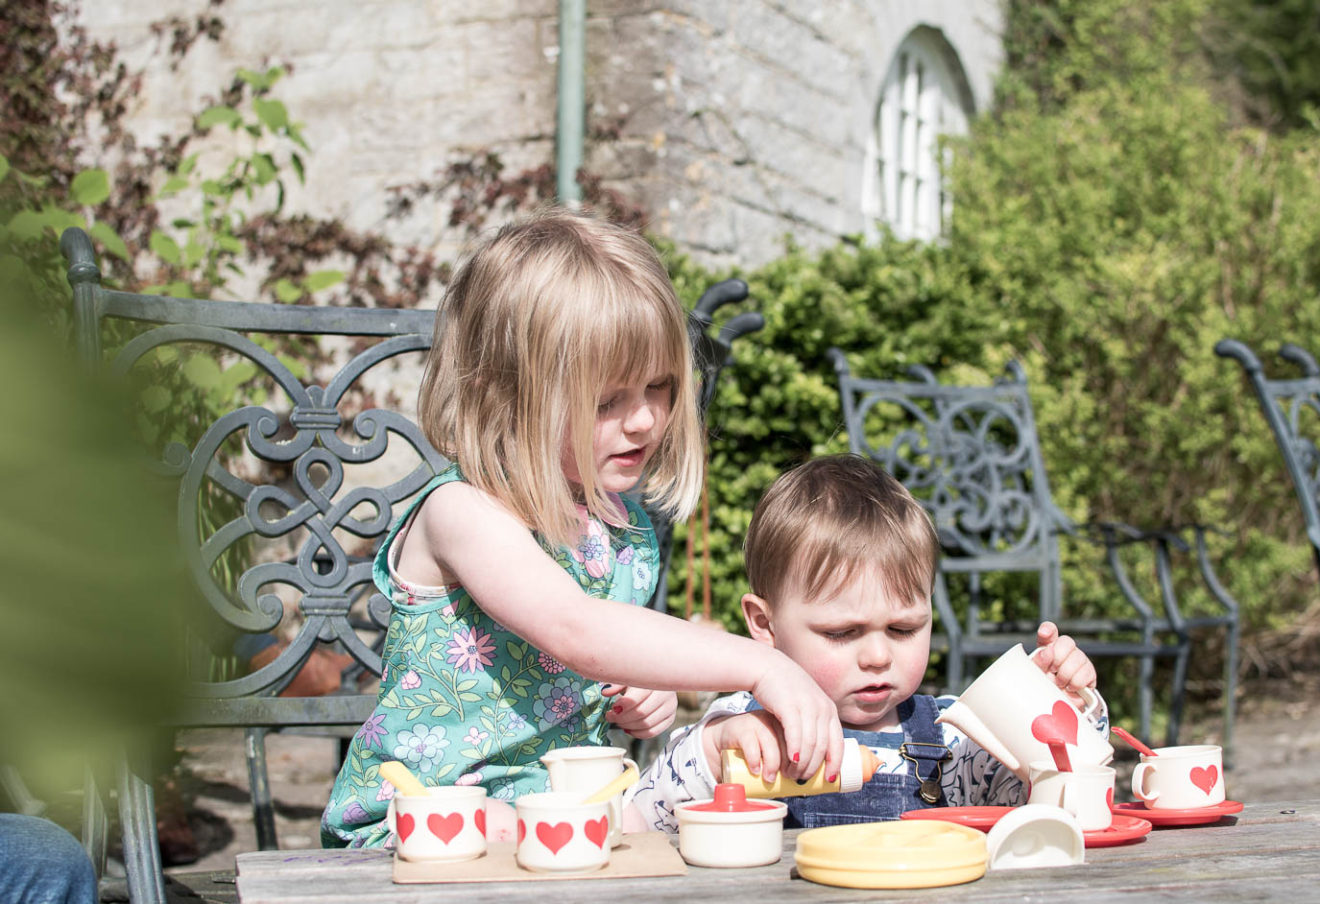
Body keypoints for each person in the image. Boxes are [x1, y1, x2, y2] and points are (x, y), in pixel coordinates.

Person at [320, 208, 843, 848]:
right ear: (503, 396)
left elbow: (588, 657)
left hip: (560, 822)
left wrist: (637, 690)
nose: (647, 420)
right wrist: (760, 664)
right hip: (422, 819)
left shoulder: (615, 524)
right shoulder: (464, 512)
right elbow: (576, 630)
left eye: (660, 386)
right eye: (606, 402)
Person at [627, 454, 1106, 830]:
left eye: (903, 629)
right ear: (764, 624)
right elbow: (642, 819)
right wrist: (712, 753)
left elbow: (1050, 799)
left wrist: (1063, 705)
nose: (879, 656)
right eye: (841, 633)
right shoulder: (742, 727)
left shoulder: (956, 737)